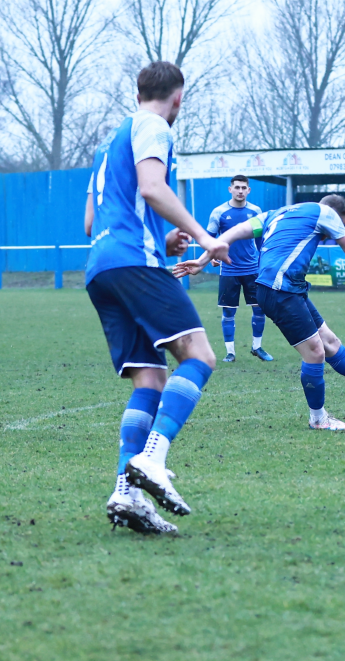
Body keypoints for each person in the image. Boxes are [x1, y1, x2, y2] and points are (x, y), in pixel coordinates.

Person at [85, 62, 230, 534]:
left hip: (100, 267)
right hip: (132, 262)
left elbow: (92, 220)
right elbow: (152, 188)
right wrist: (203, 237)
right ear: (177, 99)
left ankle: (125, 494)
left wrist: (161, 238)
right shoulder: (153, 126)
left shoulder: (107, 144)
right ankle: (153, 457)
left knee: (149, 378)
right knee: (200, 354)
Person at [176, 195, 345, 432]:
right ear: (340, 214)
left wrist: (203, 260)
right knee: (315, 352)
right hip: (278, 289)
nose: (333, 233)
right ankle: (318, 419)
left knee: (330, 342)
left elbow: (232, 233)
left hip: (286, 287)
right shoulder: (325, 212)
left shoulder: (275, 214)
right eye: (340, 225)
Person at [207, 175, 273, 363]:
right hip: (228, 270)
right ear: (230, 189)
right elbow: (209, 236)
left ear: (249, 190)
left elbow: (261, 240)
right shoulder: (218, 212)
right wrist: (211, 255)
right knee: (228, 312)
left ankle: (257, 347)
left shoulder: (256, 211)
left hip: (252, 269)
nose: (240, 191)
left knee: (260, 308)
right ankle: (230, 353)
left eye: (244, 187)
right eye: (237, 187)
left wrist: (264, 260)